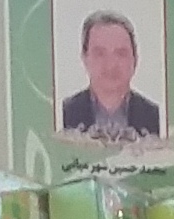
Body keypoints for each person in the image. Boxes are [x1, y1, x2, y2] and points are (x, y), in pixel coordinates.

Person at [61, 9, 162, 144]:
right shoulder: (63, 115)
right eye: (100, 53)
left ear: (135, 59)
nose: (111, 65)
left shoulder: (157, 118)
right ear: (85, 58)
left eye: (121, 53)